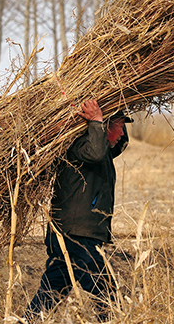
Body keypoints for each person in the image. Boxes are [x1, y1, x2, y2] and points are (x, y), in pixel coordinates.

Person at [26, 99, 132, 322]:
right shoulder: (80, 146)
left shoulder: (103, 152)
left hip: (72, 234)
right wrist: (96, 120)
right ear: (104, 126)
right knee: (105, 290)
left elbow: (118, 145)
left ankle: (28, 320)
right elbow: (95, 151)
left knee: (52, 290)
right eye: (120, 126)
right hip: (77, 236)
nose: (123, 133)